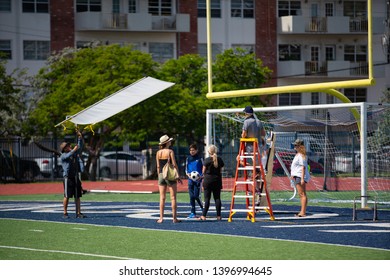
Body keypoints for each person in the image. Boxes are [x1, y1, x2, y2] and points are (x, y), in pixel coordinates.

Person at [156, 134, 182, 223]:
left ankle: (161, 218)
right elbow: (174, 164)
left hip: (161, 175)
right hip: (170, 175)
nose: (171, 142)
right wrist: (178, 175)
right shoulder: (170, 151)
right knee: (173, 197)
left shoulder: (158, 152)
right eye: (169, 141)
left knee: (162, 197)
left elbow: (158, 166)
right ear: (167, 143)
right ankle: (174, 218)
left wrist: (159, 176)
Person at [59, 130, 86, 219]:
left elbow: (79, 147)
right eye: (68, 146)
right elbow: (68, 155)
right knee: (67, 195)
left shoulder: (73, 153)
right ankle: (65, 212)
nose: (70, 146)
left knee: (77, 196)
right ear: (64, 149)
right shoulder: (63, 155)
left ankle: (78, 213)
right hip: (68, 178)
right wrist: (74, 149)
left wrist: (79, 138)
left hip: (75, 177)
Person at [199, 144, 224, 221]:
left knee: (207, 199)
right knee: (217, 198)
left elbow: (203, 171)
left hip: (208, 180)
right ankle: (219, 216)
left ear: (208, 151)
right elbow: (221, 170)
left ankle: (204, 215)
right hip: (217, 180)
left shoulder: (207, 160)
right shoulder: (219, 160)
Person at [290, 139, 311, 217]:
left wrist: (302, 178)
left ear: (300, 146)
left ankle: (303, 212)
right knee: (301, 194)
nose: (294, 147)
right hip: (297, 175)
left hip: (299, 176)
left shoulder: (302, 155)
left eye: (296, 145)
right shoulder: (298, 154)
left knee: (302, 194)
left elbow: (303, 167)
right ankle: (302, 211)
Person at [185, 144, 204, 218]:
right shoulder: (188, 158)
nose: (192, 151)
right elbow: (186, 168)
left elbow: (203, 168)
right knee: (191, 196)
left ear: (196, 150)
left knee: (196, 196)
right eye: (190, 150)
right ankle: (193, 212)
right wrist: (188, 174)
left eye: (193, 150)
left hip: (198, 180)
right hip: (190, 179)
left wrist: (201, 176)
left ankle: (203, 208)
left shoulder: (200, 158)